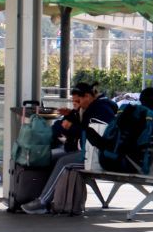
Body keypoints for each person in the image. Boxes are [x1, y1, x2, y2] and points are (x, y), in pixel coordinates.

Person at [22, 81, 116, 214]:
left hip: (96, 155)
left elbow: (91, 134)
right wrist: (70, 117)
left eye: (78, 101)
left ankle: (43, 201)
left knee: (63, 162)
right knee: (48, 157)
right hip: (85, 150)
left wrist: (71, 127)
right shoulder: (87, 109)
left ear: (88, 97)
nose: (75, 104)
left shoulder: (101, 110)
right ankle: (35, 196)